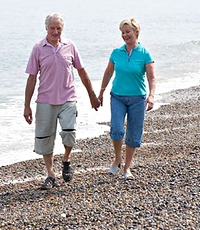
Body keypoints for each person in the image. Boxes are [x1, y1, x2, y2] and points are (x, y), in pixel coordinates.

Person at [24, 13, 101, 190]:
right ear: (46, 28)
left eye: (59, 28)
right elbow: (32, 78)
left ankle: (66, 159)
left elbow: (82, 71)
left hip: (68, 99)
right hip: (45, 100)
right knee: (45, 139)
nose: (56, 31)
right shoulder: (38, 48)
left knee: (69, 131)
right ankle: (50, 174)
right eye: (52, 28)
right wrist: (26, 105)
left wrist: (92, 96)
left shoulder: (70, 46)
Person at [98, 17, 156, 180]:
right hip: (117, 97)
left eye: (128, 31)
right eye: (123, 32)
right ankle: (117, 158)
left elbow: (152, 78)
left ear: (136, 32)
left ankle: (127, 167)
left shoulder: (145, 54)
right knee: (116, 129)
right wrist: (101, 92)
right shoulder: (117, 53)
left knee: (133, 133)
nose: (125, 35)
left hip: (138, 99)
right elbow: (108, 72)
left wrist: (151, 96)